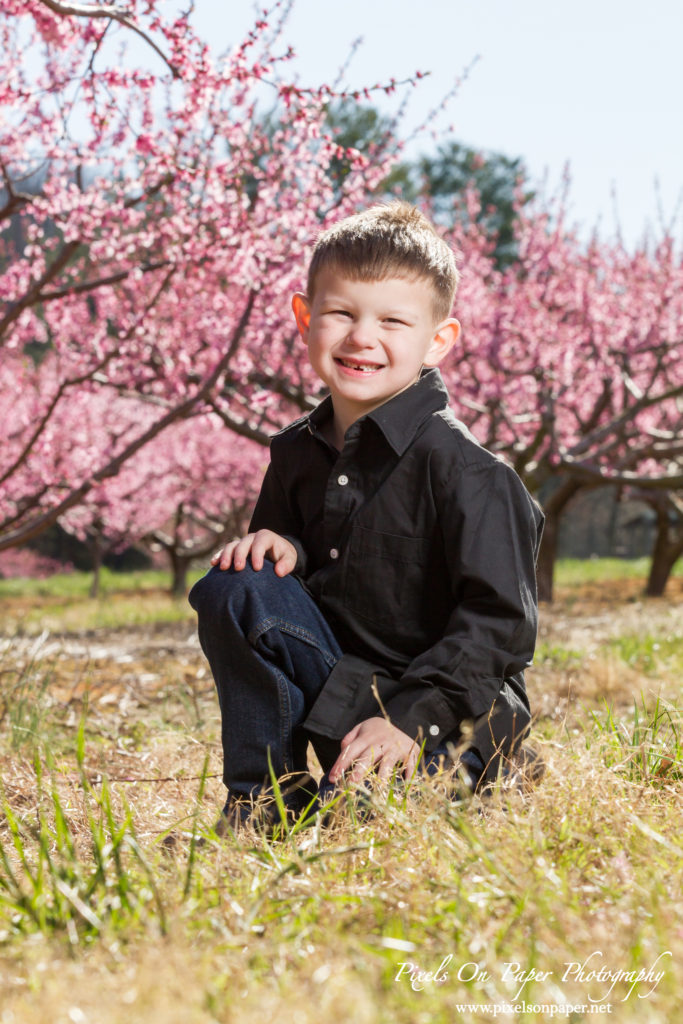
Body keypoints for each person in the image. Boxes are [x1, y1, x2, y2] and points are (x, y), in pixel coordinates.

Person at [189, 201, 544, 831]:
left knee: (358, 828)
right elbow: (282, 596)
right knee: (236, 584)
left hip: (441, 720)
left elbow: (498, 628)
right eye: (341, 313)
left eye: (392, 321)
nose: (362, 338)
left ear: (438, 340)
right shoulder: (295, 453)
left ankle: (488, 781)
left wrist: (410, 718)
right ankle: (261, 803)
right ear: (305, 318)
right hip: (344, 700)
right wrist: (286, 547)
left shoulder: (471, 474)